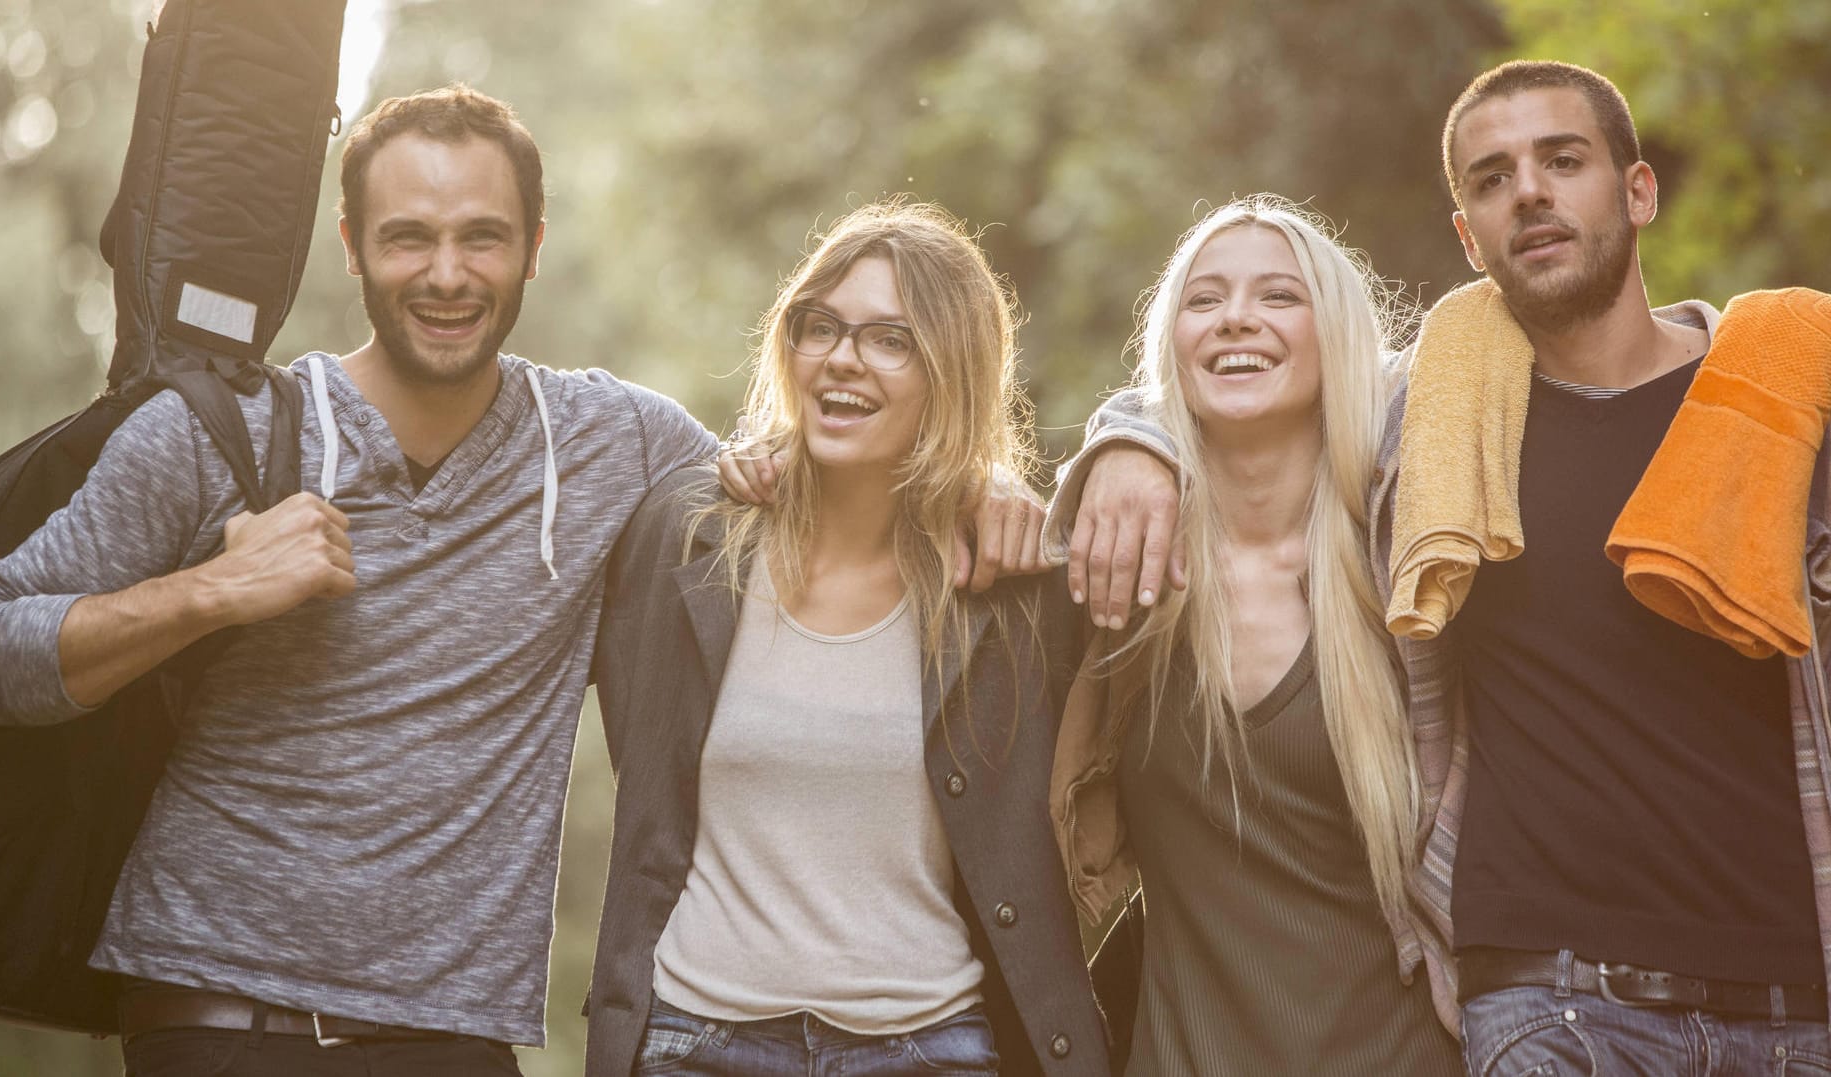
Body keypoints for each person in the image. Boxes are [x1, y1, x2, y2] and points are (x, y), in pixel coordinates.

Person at [1062, 62, 1831, 1077]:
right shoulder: (1433, 432)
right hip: (1549, 1011)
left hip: (1792, 1002)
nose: (1531, 192)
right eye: (1493, 177)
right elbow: (1256, 395)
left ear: (1639, 191)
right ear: (1468, 235)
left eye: (1563, 160)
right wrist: (1128, 442)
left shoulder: (1784, 411)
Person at [0, 85, 719, 1075]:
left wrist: (979, 491)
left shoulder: (616, 440)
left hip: (456, 1039)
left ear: (533, 242)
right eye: (408, 239)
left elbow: (807, 495)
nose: (446, 275)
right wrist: (208, 592)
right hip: (220, 1019)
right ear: (350, 244)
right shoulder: (222, 434)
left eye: (482, 237)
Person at [584, 199, 1110, 1077]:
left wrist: (1062, 464)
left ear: (953, 371)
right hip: (696, 1042)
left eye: (889, 339)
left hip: (930, 1047)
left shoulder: (1012, 586)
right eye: (818, 325)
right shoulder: (688, 537)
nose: (840, 358)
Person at [1047, 196, 1459, 1074]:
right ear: (1173, 347)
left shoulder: (1410, 568)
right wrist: (1122, 438)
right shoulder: (1120, 579)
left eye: (1279, 296)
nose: (1237, 316)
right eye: (1205, 299)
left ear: (1337, 336)